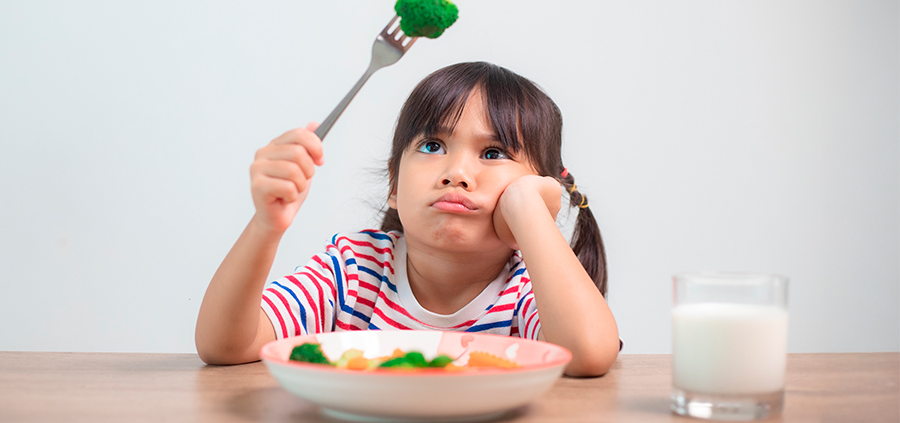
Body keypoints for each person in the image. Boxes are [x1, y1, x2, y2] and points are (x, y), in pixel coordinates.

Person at [195, 62, 619, 376]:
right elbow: (225, 345)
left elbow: (588, 354)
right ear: (394, 184)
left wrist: (530, 212)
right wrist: (265, 228)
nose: (456, 173)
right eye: (433, 145)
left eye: (493, 154)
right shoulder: (354, 269)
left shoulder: (529, 288)